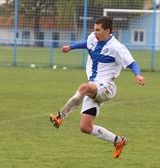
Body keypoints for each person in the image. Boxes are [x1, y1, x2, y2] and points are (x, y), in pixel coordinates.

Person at [50, 16, 146, 159]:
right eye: (94, 29)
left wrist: (137, 75)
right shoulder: (93, 38)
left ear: (108, 31)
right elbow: (86, 43)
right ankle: (119, 141)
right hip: (94, 86)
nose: (94, 32)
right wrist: (70, 47)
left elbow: (132, 63)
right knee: (85, 127)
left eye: (98, 30)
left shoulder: (117, 47)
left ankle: (60, 116)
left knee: (83, 88)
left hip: (106, 87)